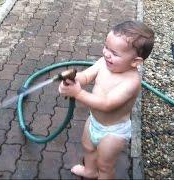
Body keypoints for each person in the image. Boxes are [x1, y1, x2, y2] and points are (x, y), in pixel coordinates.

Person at [58, 21, 154, 179]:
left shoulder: (131, 82)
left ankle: (101, 173)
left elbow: (107, 104)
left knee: (105, 165)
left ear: (135, 61)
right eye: (106, 47)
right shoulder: (103, 63)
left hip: (113, 132)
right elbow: (87, 75)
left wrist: (77, 93)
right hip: (94, 120)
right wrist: (74, 80)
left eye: (115, 53)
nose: (106, 54)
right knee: (88, 148)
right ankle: (90, 171)